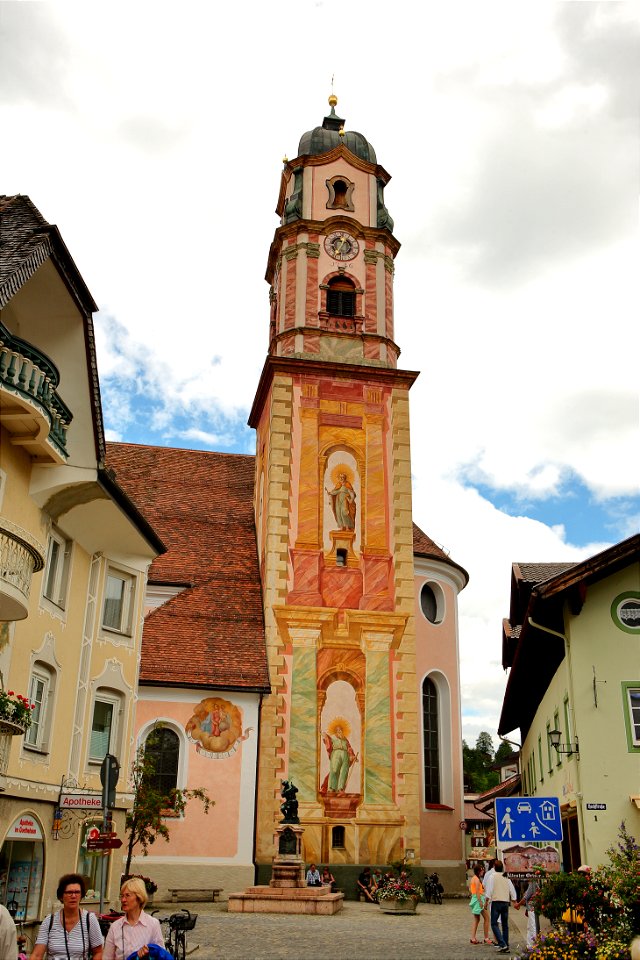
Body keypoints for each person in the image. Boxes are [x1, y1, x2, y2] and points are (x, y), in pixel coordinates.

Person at [30, 873, 103, 960]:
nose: (73, 896)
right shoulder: (49, 921)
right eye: (69, 892)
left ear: (81, 895)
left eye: (77, 892)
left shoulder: (89, 919)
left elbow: (98, 952)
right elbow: (37, 955)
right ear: (61, 896)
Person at [103, 877, 164, 960]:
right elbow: (107, 957)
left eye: (127, 895)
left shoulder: (153, 924)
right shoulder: (115, 927)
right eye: (122, 896)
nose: (123, 900)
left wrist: (146, 956)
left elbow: (161, 955)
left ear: (139, 898)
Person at [484, 860, 518, 954]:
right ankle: (506, 943)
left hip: (496, 902)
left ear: (494, 867)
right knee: (505, 925)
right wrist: (514, 901)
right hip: (505, 902)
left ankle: (502, 944)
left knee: (494, 924)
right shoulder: (506, 876)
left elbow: (489, 890)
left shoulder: (492, 877)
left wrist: (486, 902)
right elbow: (512, 890)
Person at [321, 725, 357, 794]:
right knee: (334, 770)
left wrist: (352, 755)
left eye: (340, 730)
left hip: (345, 755)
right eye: (337, 730)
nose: (339, 731)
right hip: (336, 754)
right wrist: (325, 736)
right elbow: (327, 740)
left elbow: (349, 748)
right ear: (335, 731)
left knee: (344, 771)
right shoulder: (333, 737)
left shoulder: (345, 739)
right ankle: (331, 788)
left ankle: (340, 789)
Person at [468, 863, 492, 945]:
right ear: (479, 871)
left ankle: (473, 937)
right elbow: (478, 892)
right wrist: (481, 902)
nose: (483, 871)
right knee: (487, 918)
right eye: (482, 870)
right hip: (478, 900)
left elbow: (471, 890)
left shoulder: (473, 878)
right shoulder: (477, 880)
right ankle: (486, 938)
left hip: (475, 899)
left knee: (477, 919)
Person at [516, 877, 540, 948]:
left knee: (532, 926)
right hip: (530, 908)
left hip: (532, 908)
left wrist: (518, 904)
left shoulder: (532, 883)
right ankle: (530, 944)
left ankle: (533, 944)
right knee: (530, 926)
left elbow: (526, 897)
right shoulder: (534, 883)